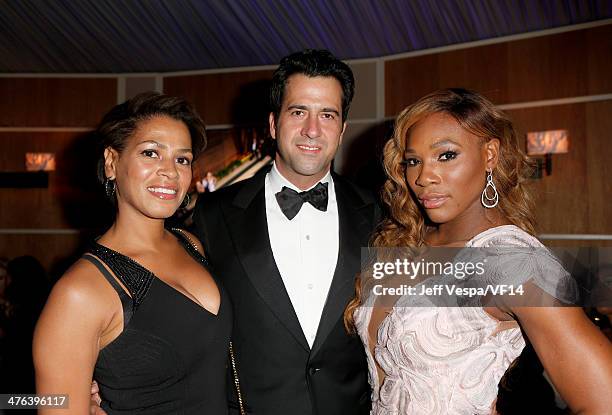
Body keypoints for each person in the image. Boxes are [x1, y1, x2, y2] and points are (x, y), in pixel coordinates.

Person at [346, 88, 612, 414]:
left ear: (489, 154)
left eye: (446, 155)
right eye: (413, 161)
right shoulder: (404, 243)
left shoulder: (512, 261)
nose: (424, 177)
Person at [193, 49, 380, 415]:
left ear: (342, 129)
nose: (313, 129)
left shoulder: (379, 214)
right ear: (274, 124)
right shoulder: (213, 216)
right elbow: (176, 316)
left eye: (327, 114)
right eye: (298, 112)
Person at [34, 92, 232, 414]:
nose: (170, 171)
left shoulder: (190, 245)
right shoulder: (80, 292)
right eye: (151, 153)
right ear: (112, 162)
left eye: (182, 159)